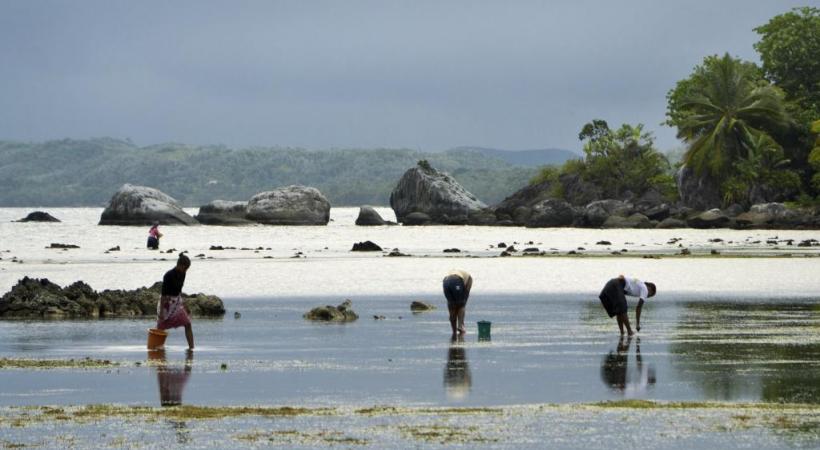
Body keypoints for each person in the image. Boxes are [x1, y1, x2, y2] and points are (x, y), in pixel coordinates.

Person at [157, 253, 194, 349]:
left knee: (187, 323)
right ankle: (156, 348)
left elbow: (179, 291)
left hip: (177, 302)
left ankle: (191, 348)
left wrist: (185, 305)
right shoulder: (168, 275)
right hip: (166, 303)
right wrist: (161, 312)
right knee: (160, 328)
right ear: (180, 265)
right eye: (185, 268)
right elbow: (163, 295)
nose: (185, 271)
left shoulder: (183, 274)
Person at [442, 269, 473, 336]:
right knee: (461, 305)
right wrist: (463, 304)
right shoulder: (470, 279)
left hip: (445, 282)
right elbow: (466, 293)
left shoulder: (459, 273)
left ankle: (454, 331)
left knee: (451, 306)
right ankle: (460, 326)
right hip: (456, 281)